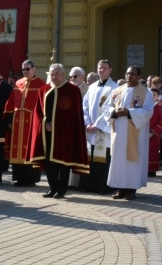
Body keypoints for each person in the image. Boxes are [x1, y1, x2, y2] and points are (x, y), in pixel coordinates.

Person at [28, 64, 89, 199]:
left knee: (64, 162)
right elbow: (37, 112)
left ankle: (61, 190)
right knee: (50, 163)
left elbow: (75, 115)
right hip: (48, 134)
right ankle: (52, 188)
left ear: (62, 75)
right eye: (52, 74)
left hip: (65, 134)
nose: (54, 76)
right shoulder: (43, 90)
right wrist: (44, 124)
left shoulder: (72, 91)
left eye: (57, 74)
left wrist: (64, 127)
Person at [104, 66, 155, 200]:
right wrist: (114, 112)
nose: (129, 76)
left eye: (132, 74)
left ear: (139, 77)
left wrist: (129, 113)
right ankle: (121, 188)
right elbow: (106, 107)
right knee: (119, 160)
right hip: (119, 132)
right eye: (127, 74)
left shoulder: (145, 92)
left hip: (135, 131)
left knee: (132, 160)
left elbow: (148, 111)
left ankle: (131, 190)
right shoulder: (117, 91)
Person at [4, 60, 46, 186]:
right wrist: (9, 120)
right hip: (17, 122)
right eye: (23, 70)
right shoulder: (18, 83)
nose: (25, 72)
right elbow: (12, 102)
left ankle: (30, 178)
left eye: (27, 69)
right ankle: (18, 177)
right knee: (17, 150)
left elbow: (43, 105)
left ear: (34, 69)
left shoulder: (41, 84)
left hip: (32, 122)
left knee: (30, 148)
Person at [80, 60, 119, 194]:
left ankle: (102, 186)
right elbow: (84, 106)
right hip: (90, 128)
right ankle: (88, 185)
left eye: (104, 68)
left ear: (110, 70)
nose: (101, 70)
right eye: (99, 68)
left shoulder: (114, 88)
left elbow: (111, 108)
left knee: (103, 159)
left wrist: (97, 125)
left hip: (103, 129)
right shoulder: (92, 87)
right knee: (90, 157)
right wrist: (87, 123)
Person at [148, 88, 162, 177]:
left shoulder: (159, 108)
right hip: (143, 134)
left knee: (153, 152)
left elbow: (161, 122)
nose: (152, 97)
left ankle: (151, 170)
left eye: (154, 95)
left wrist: (152, 133)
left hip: (153, 135)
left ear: (158, 97)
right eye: (150, 95)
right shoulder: (143, 106)